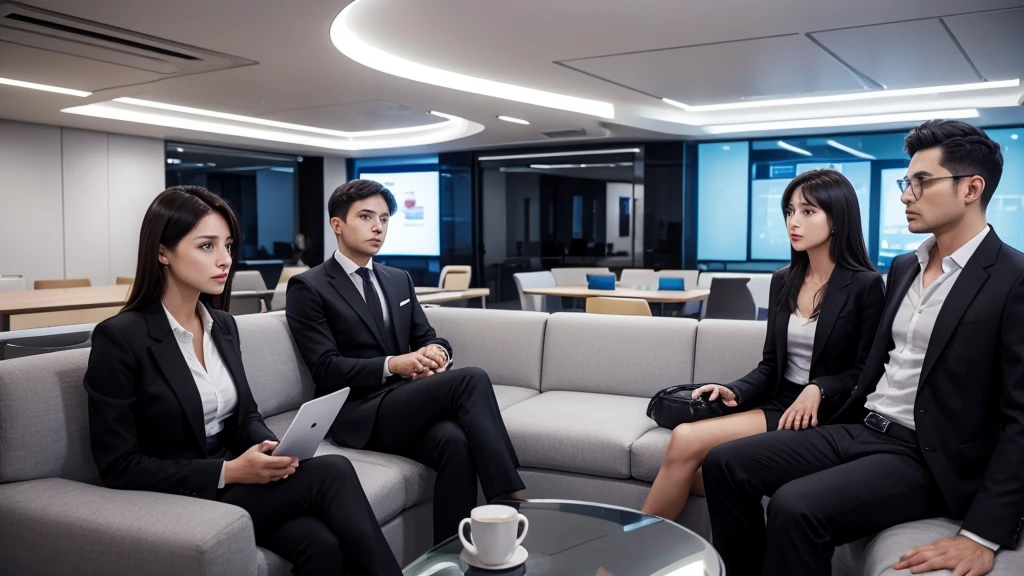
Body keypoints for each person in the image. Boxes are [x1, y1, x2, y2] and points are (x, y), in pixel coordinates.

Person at [703, 120, 1024, 576]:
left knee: (795, 507)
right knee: (725, 462)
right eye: (905, 181)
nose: (905, 195)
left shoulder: (1013, 277)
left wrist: (982, 535)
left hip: (925, 456)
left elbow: (1021, 418)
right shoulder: (904, 266)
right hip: (862, 426)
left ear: (972, 188)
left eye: (921, 181)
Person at [84, 186, 402, 576]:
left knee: (322, 545)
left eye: (229, 246)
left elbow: (245, 415)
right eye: (207, 246)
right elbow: (119, 465)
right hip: (185, 490)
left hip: (236, 474)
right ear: (162, 251)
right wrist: (228, 472)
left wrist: (268, 447)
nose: (225, 260)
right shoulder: (120, 338)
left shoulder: (222, 325)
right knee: (333, 471)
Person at [286, 179, 525, 543]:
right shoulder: (310, 286)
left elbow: (427, 337)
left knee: (454, 442)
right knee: (471, 378)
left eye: (383, 218)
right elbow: (326, 367)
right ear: (337, 225)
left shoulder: (398, 279)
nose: (378, 227)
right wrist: (393, 364)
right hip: (358, 412)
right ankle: (509, 498)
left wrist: (436, 353)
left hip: (404, 402)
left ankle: (452, 553)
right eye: (366, 217)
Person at [642, 169, 884, 520]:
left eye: (807, 211)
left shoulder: (866, 285)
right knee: (684, 441)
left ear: (838, 218)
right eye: (789, 211)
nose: (793, 222)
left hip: (830, 414)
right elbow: (771, 364)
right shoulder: (784, 279)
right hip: (780, 403)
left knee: (704, 465)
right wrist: (733, 391)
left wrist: (820, 388)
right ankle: (638, 559)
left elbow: (867, 372)